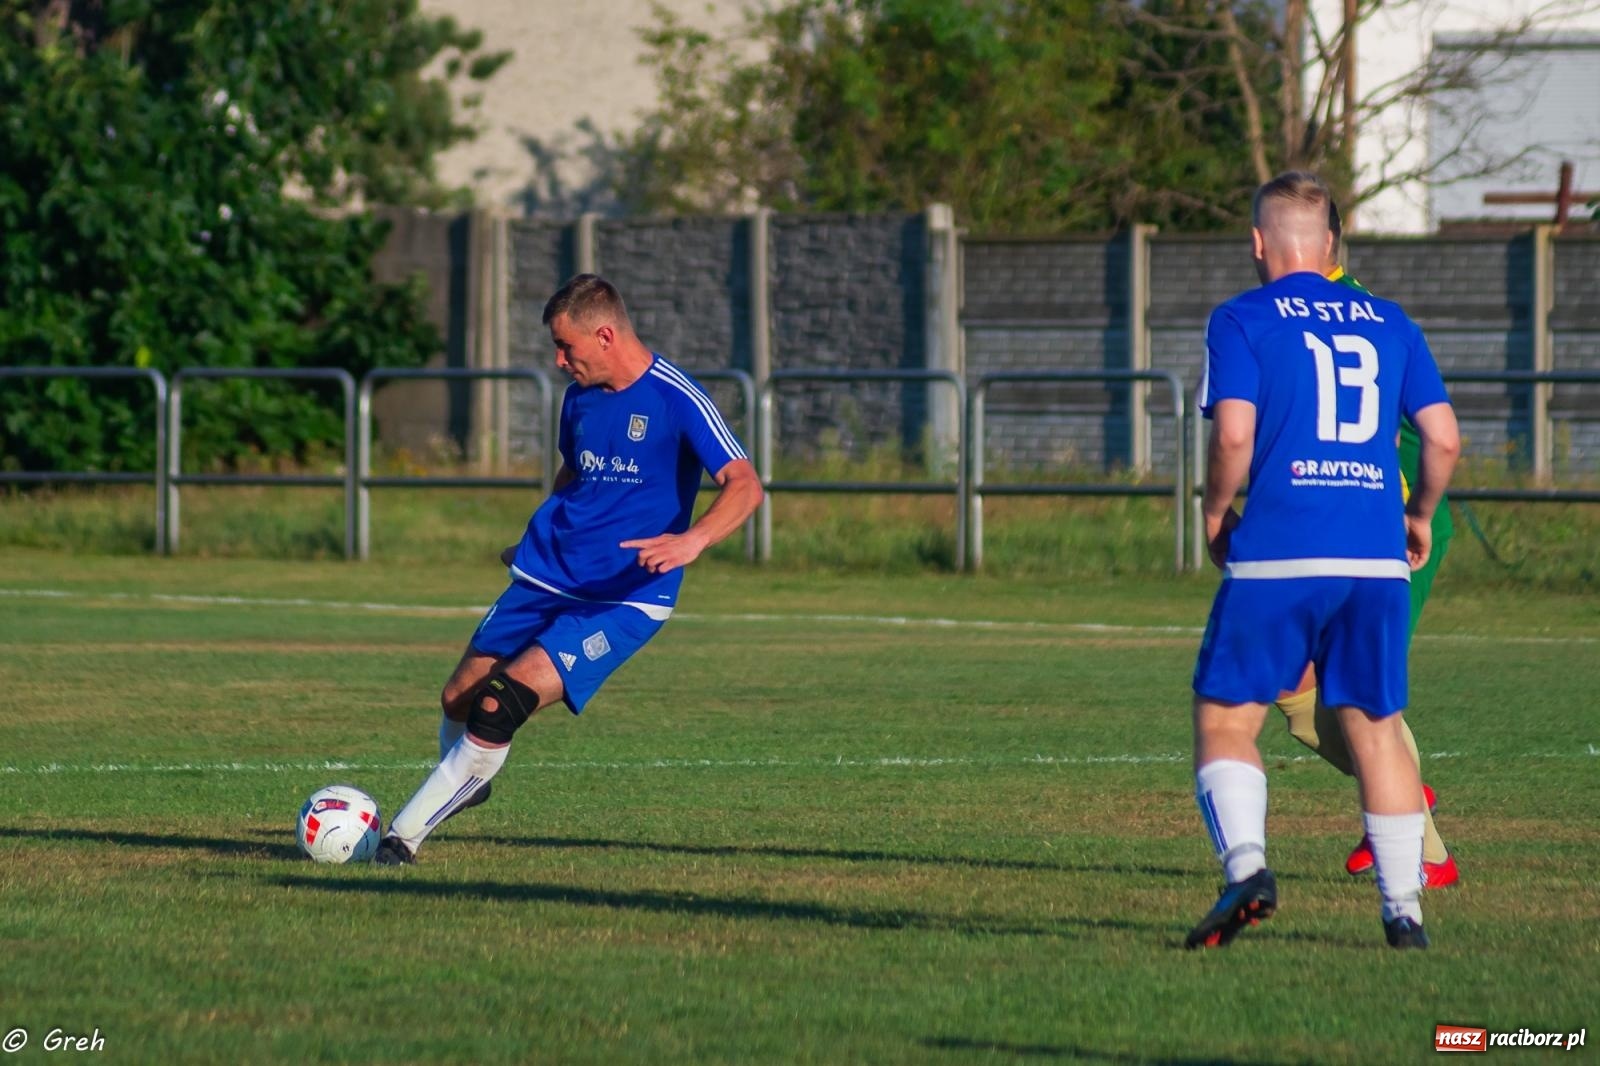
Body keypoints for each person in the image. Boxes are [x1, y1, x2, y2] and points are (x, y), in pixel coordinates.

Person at [373, 273, 764, 865]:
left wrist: (694, 540)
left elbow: (745, 484)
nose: (559, 361)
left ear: (605, 334)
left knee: (499, 702)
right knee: (458, 697)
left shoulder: (676, 396)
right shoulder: (579, 395)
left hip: (624, 596)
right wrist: (535, 539)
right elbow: (575, 476)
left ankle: (400, 839)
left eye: (567, 347)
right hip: (545, 573)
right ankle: (468, 779)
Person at [1185, 172, 1460, 949]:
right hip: (1375, 556)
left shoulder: (1241, 316)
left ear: (1258, 244)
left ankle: (1247, 871)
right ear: (1332, 243)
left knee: (1227, 718)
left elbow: (1234, 434)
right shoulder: (1389, 320)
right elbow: (1443, 438)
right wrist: (1421, 515)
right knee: (1375, 729)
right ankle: (1404, 912)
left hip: (1280, 546)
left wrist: (1212, 510)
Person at [1268, 199, 1460, 888]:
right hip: (1344, 527)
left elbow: (1435, 436)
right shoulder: (1351, 310)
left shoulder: (1322, 317)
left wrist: (1420, 517)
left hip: (1384, 531)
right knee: (1298, 692)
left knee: (1349, 695)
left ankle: (1424, 851)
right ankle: (1401, 792)